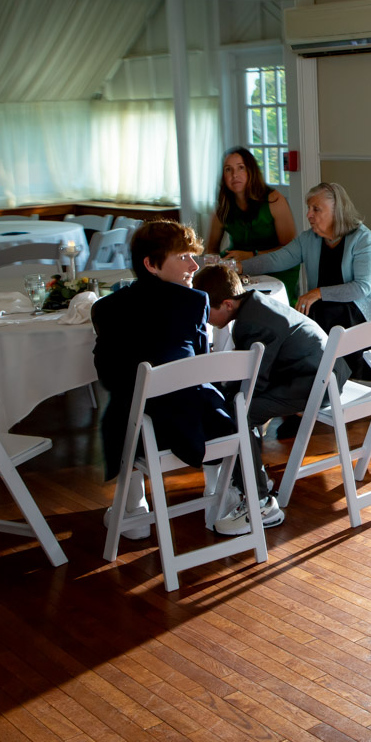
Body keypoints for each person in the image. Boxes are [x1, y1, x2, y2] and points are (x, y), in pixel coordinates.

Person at [91, 220, 279, 539]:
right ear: (151, 264)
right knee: (205, 397)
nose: (193, 265)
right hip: (199, 426)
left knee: (124, 407)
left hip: (143, 429)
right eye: (183, 258)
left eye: (193, 256)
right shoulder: (194, 303)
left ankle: (134, 510)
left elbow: (108, 375)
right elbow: (202, 365)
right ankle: (221, 500)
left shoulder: (105, 309)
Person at [193, 264, 348, 531]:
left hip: (315, 383)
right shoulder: (255, 302)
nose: (205, 319)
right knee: (235, 404)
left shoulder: (251, 326)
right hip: (315, 371)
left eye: (208, 311)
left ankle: (260, 501)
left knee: (241, 412)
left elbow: (254, 383)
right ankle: (252, 480)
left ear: (228, 304)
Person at [239, 182, 371, 381]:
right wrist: (239, 267)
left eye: (316, 209)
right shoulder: (309, 239)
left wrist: (317, 293)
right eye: (309, 208)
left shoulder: (363, 239)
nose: (309, 215)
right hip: (331, 318)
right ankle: (305, 382)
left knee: (313, 314)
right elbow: (276, 259)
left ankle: (321, 380)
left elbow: (362, 288)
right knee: (301, 316)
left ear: (338, 212)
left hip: (367, 320)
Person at [209, 147, 300, 304]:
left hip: (276, 266)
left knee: (260, 305)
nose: (234, 175)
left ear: (251, 171)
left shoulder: (274, 200)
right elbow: (211, 249)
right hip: (237, 265)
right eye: (228, 170)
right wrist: (216, 265)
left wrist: (251, 255)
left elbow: (290, 250)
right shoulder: (223, 206)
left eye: (240, 168)